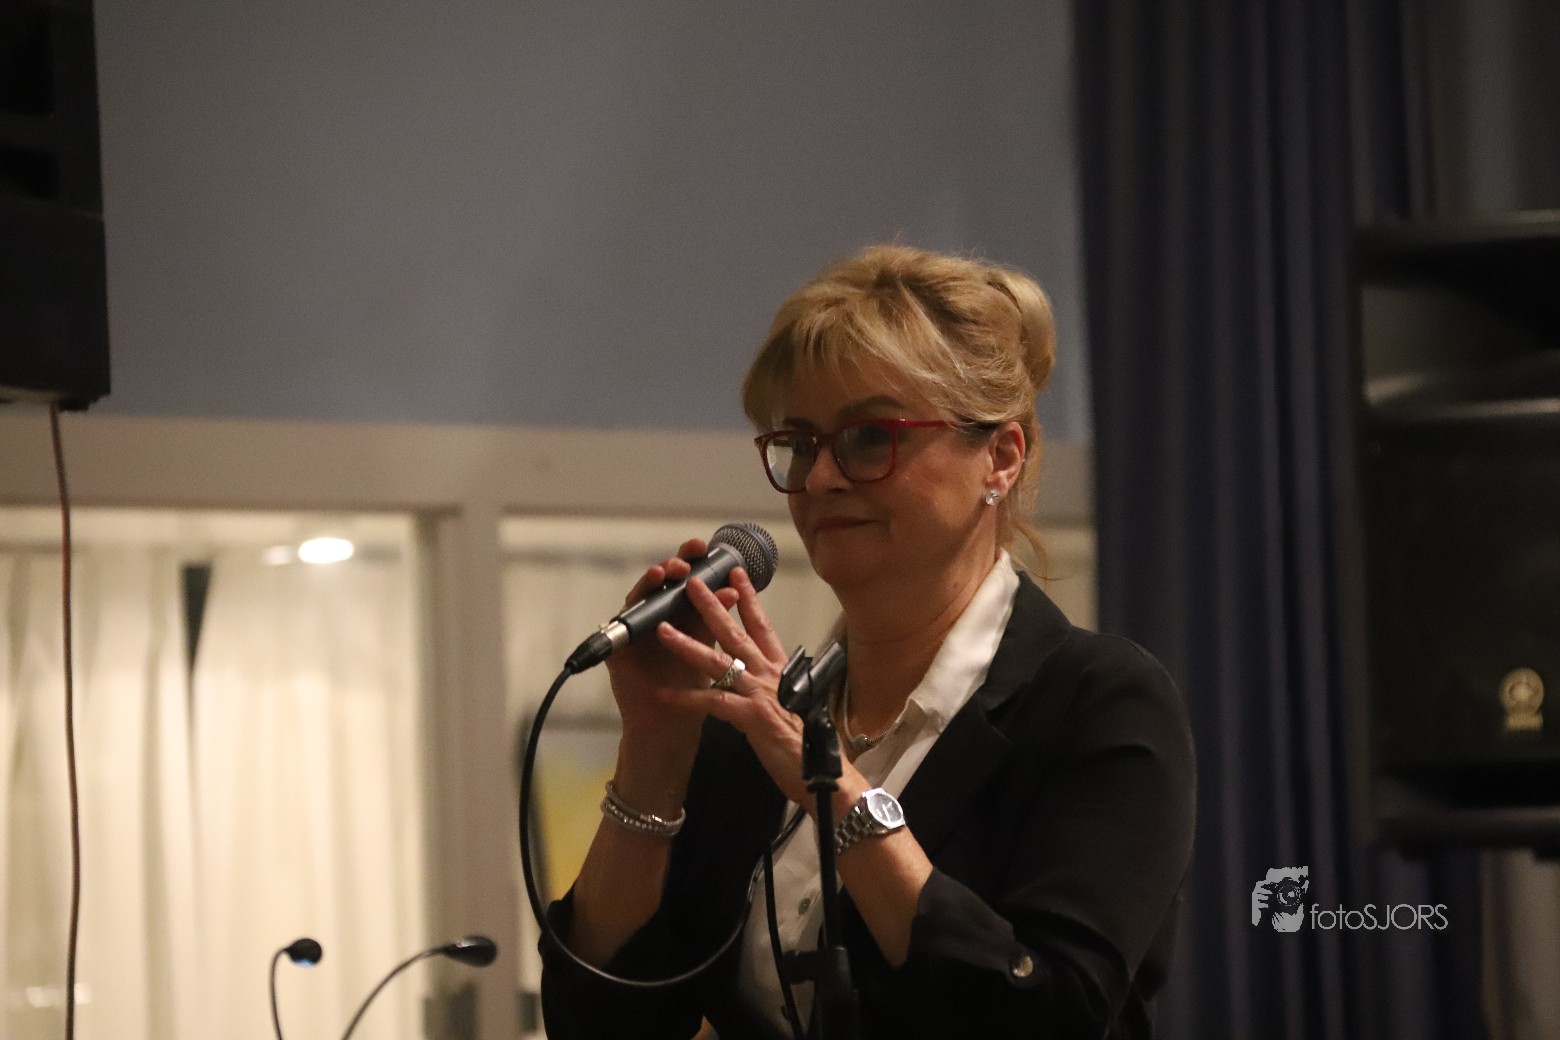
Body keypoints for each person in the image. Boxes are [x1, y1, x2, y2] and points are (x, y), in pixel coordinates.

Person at [539, 244, 1196, 1039]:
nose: (820, 479)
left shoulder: (1097, 702)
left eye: (870, 438)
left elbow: (1050, 1015)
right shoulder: (755, 727)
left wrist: (833, 791)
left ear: (1000, 457)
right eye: (802, 443)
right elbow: (599, 1024)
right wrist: (654, 749)